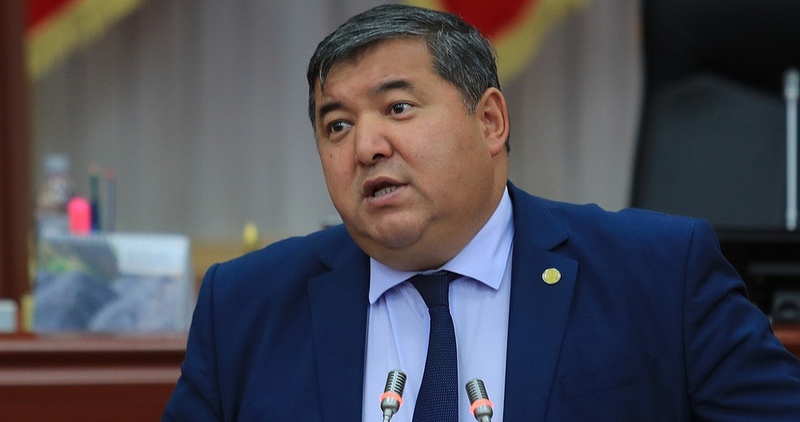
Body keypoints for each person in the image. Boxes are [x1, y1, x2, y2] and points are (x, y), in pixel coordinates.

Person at [163, 4, 800, 421]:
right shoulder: (243, 307)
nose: (366, 146)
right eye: (337, 125)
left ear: (490, 121)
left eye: (398, 108)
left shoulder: (657, 275)